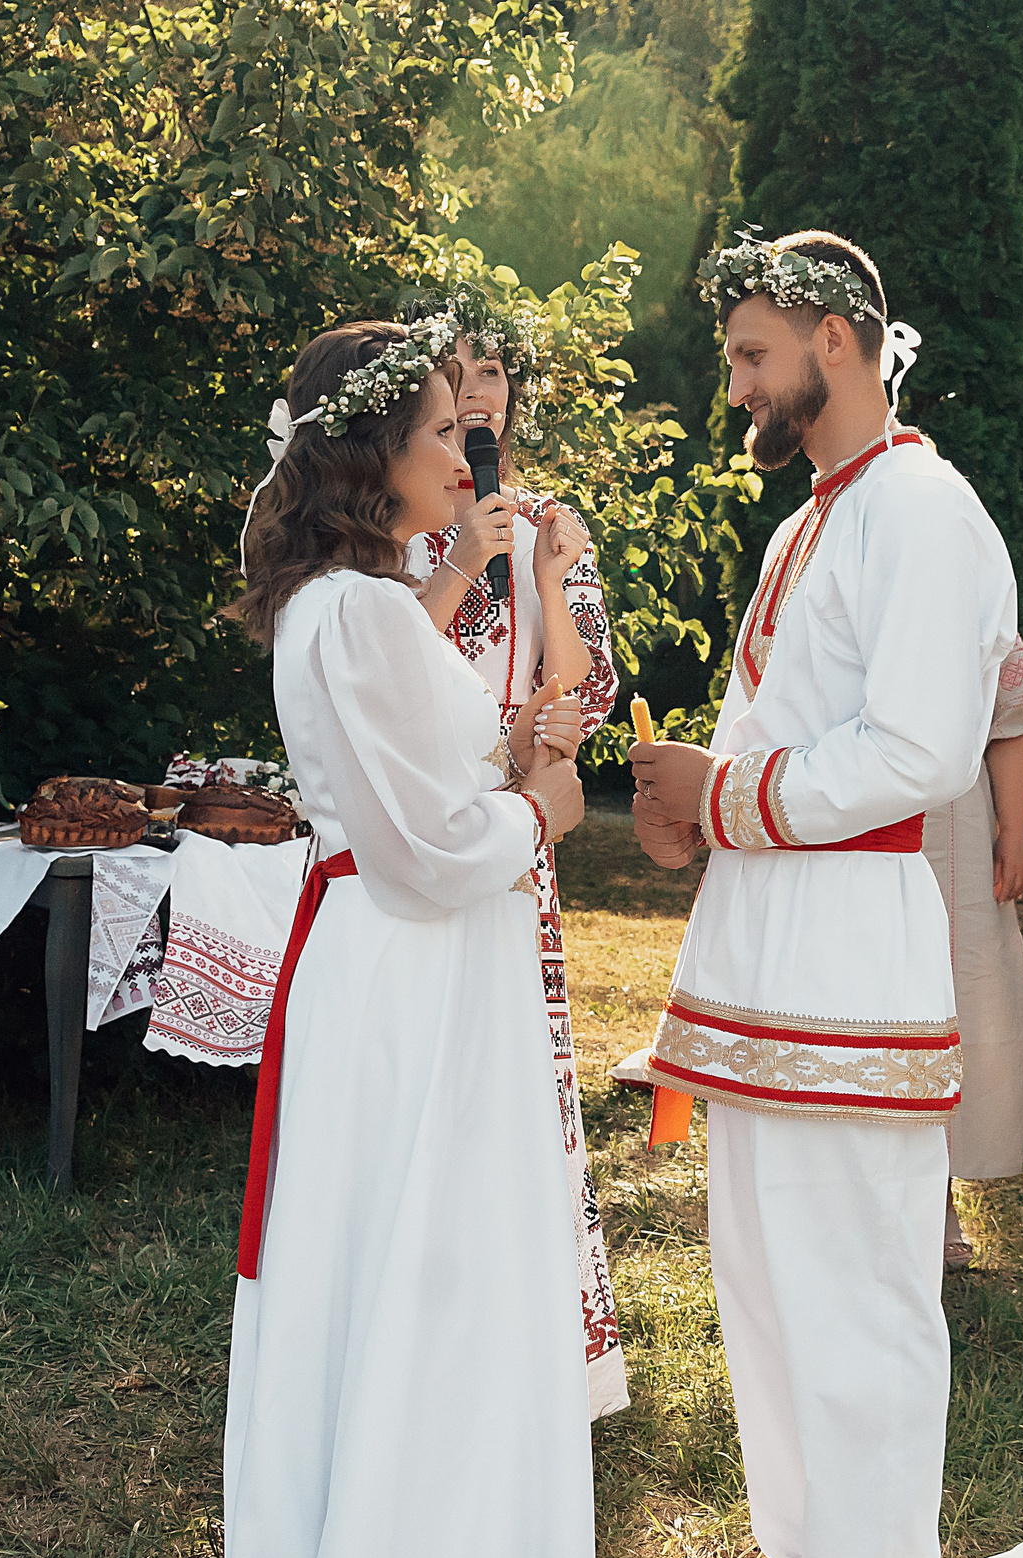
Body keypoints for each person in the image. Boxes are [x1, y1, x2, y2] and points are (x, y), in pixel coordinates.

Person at [168, 318, 602, 1558]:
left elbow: (411, 759)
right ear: (368, 456)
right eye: (433, 433)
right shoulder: (349, 611)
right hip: (413, 973)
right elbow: (419, 845)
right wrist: (543, 803)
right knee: (425, 1267)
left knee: (430, 1264)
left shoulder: (352, 601)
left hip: (421, 970)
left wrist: (484, 602)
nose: (460, 450)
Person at [627, 229, 1016, 1558]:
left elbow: (918, 749)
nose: (736, 383)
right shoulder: (804, 523)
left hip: (855, 948)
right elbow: (774, 733)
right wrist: (688, 812)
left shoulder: (924, 508)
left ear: (834, 342)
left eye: (750, 356)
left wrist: (727, 795)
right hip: (758, 939)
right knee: (766, 1276)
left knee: (858, 1283)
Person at [408, 291, 629, 1414]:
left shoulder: (546, 521)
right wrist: (455, 554)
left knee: (520, 1079)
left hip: (516, 832)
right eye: (458, 368)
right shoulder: (397, 520)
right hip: (416, 821)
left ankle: (537, 1350)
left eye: (494, 369)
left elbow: (581, 685)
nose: (479, 386)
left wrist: (542, 583)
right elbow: (386, 672)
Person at [933, 636, 1023, 1269]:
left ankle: (937, 1196)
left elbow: (1009, 723)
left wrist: (1018, 832)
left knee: (955, 1000)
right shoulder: (815, 560)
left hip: (947, 825)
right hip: (836, 816)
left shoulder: (968, 578)